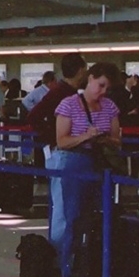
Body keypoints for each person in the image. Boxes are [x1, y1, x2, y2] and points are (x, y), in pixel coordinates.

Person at [54, 62, 121, 277]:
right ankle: (69, 275)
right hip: (76, 163)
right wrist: (85, 136)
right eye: (100, 85)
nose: (103, 91)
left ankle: (97, 273)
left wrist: (104, 139)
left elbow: (117, 140)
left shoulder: (110, 107)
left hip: (100, 164)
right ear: (90, 78)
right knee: (74, 219)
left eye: (107, 88)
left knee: (102, 218)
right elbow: (61, 141)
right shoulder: (69, 104)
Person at [27, 54, 88, 263]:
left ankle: (66, 251)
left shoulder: (70, 92)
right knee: (61, 205)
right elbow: (34, 116)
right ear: (80, 70)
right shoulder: (61, 93)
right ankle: (60, 253)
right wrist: (54, 138)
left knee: (65, 203)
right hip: (61, 153)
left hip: (68, 151)